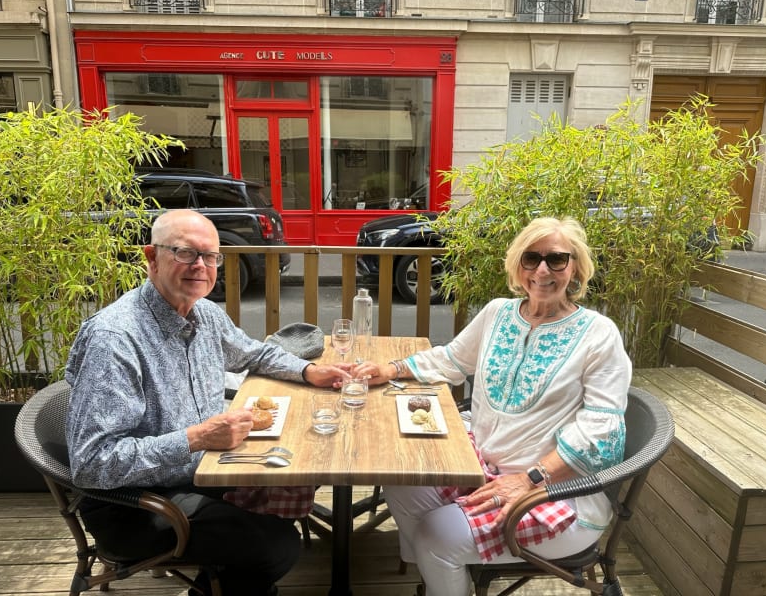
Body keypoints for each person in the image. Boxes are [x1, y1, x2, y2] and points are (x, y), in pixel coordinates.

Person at [65, 209, 350, 596]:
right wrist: (195, 438)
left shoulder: (205, 314)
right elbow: (92, 464)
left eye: (211, 256)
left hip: (201, 472)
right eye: (185, 253)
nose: (200, 265)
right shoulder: (115, 339)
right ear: (151, 257)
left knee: (297, 471)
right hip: (135, 504)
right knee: (275, 546)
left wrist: (308, 371)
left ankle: (218, 581)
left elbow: (254, 353)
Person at [352, 217, 632, 596]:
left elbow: (601, 432)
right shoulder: (499, 312)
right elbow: (451, 360)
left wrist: (529, 479)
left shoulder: (599, 334)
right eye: (531, 259)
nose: (543, 270)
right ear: (518, 265)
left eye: (557, 259)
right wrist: (391, 368)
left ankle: (443, 565)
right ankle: (447, 578)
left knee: (437, 535)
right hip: (480, 466)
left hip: (555, 494)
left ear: (577, 266)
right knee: (401, 480)